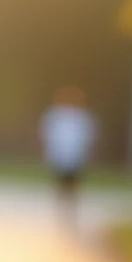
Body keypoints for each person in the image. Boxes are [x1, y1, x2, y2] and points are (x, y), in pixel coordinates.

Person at [38, 85, 98, 229]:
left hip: (75, 159)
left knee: (73, 187)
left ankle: (70, 211)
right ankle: (61, 211)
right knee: (60, 186)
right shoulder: (55, 116)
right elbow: (46, 137)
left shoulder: (82, 117)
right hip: (59, 158)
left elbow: (89, 139)